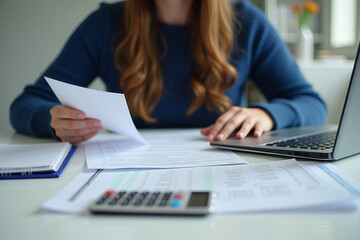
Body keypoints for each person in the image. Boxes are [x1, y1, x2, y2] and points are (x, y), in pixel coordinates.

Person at [10, 0, 327, 145]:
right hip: (124, 176)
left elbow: (312, 104)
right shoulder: (105, 24)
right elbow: (25, 105)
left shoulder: (248, 22)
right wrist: (51, 119)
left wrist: (267, 115)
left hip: (226, 174)